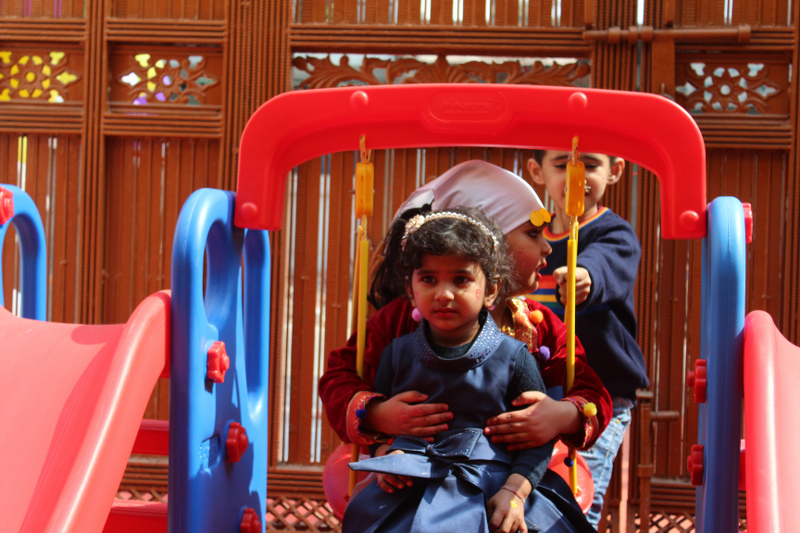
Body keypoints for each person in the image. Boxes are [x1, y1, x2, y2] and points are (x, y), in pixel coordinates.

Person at [319, 161, 611, 457]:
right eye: (533, 234)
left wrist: (562, 416)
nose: (548, 247)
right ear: (489, 245)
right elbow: (338, 378)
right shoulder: (399, 320)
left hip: (510, 478)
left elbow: (591, 392)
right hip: (410, 471)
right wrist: (378, 415)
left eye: (460, 280)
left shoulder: (538, 325)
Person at [342, 207, 593, 533]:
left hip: (500, 486)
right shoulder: (396, 355)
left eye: (461, 280)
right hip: (412, 486)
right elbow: (380, 431)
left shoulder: (515, 357)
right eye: (428, 279)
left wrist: (515, 493)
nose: (443, 293)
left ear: (491, 290)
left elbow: (537, 439)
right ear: (411, 290)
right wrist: (385, 454)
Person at [527, 150, 649, 527]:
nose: (575, 175)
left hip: (600, 393)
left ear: (615, 171)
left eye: (589, 165)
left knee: (576, 495)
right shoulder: (531, 233)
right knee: (529, 488)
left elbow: (607, 262)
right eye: (561, 165)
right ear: (537, 171)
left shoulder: (614, 233)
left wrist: (584, 276)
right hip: (542, 391)